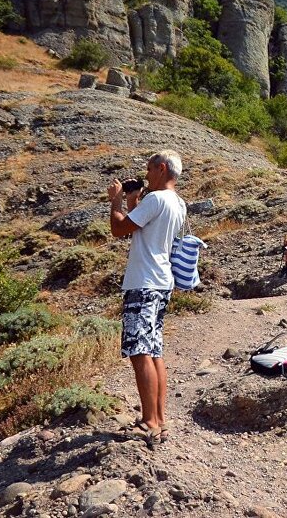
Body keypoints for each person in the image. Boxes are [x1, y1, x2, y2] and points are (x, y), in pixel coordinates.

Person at [108, 150, 187, 445]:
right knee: (154, 351)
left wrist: (115, 199)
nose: (147, 175)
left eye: (150, 170)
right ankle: (160, 420)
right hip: (162, 282)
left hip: (143, 283)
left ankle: (149, 420)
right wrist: (133, 201)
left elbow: (119, 229)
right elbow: (142, 226)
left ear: (162, 168)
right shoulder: (178, 203)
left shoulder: (155, 200)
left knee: (140, 353)